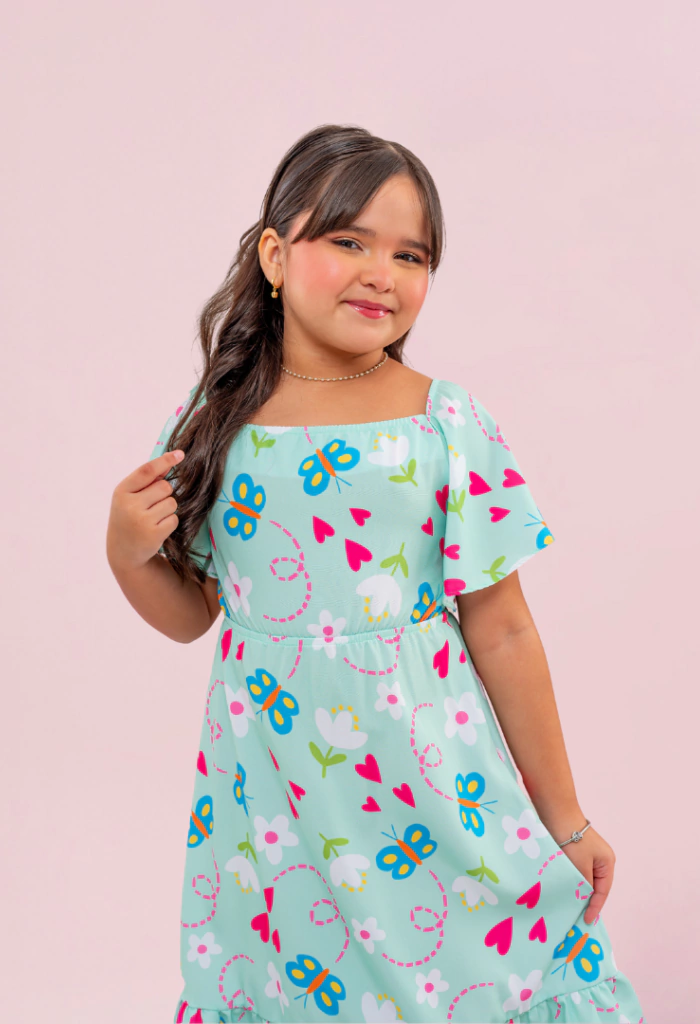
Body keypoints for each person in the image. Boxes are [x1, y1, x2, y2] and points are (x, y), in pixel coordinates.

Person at [106, 124, 648, 1024]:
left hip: (428, 784)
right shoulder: (215, 423)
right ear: (275, 256)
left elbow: (504, 626)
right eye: (348, 241)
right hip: (276, 802)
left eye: (411, 255)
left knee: (471, 971)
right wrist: (126, 552)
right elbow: (194, 613)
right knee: (302, 981)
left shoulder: (443, 423)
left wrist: (566, 817)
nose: (381, 273)